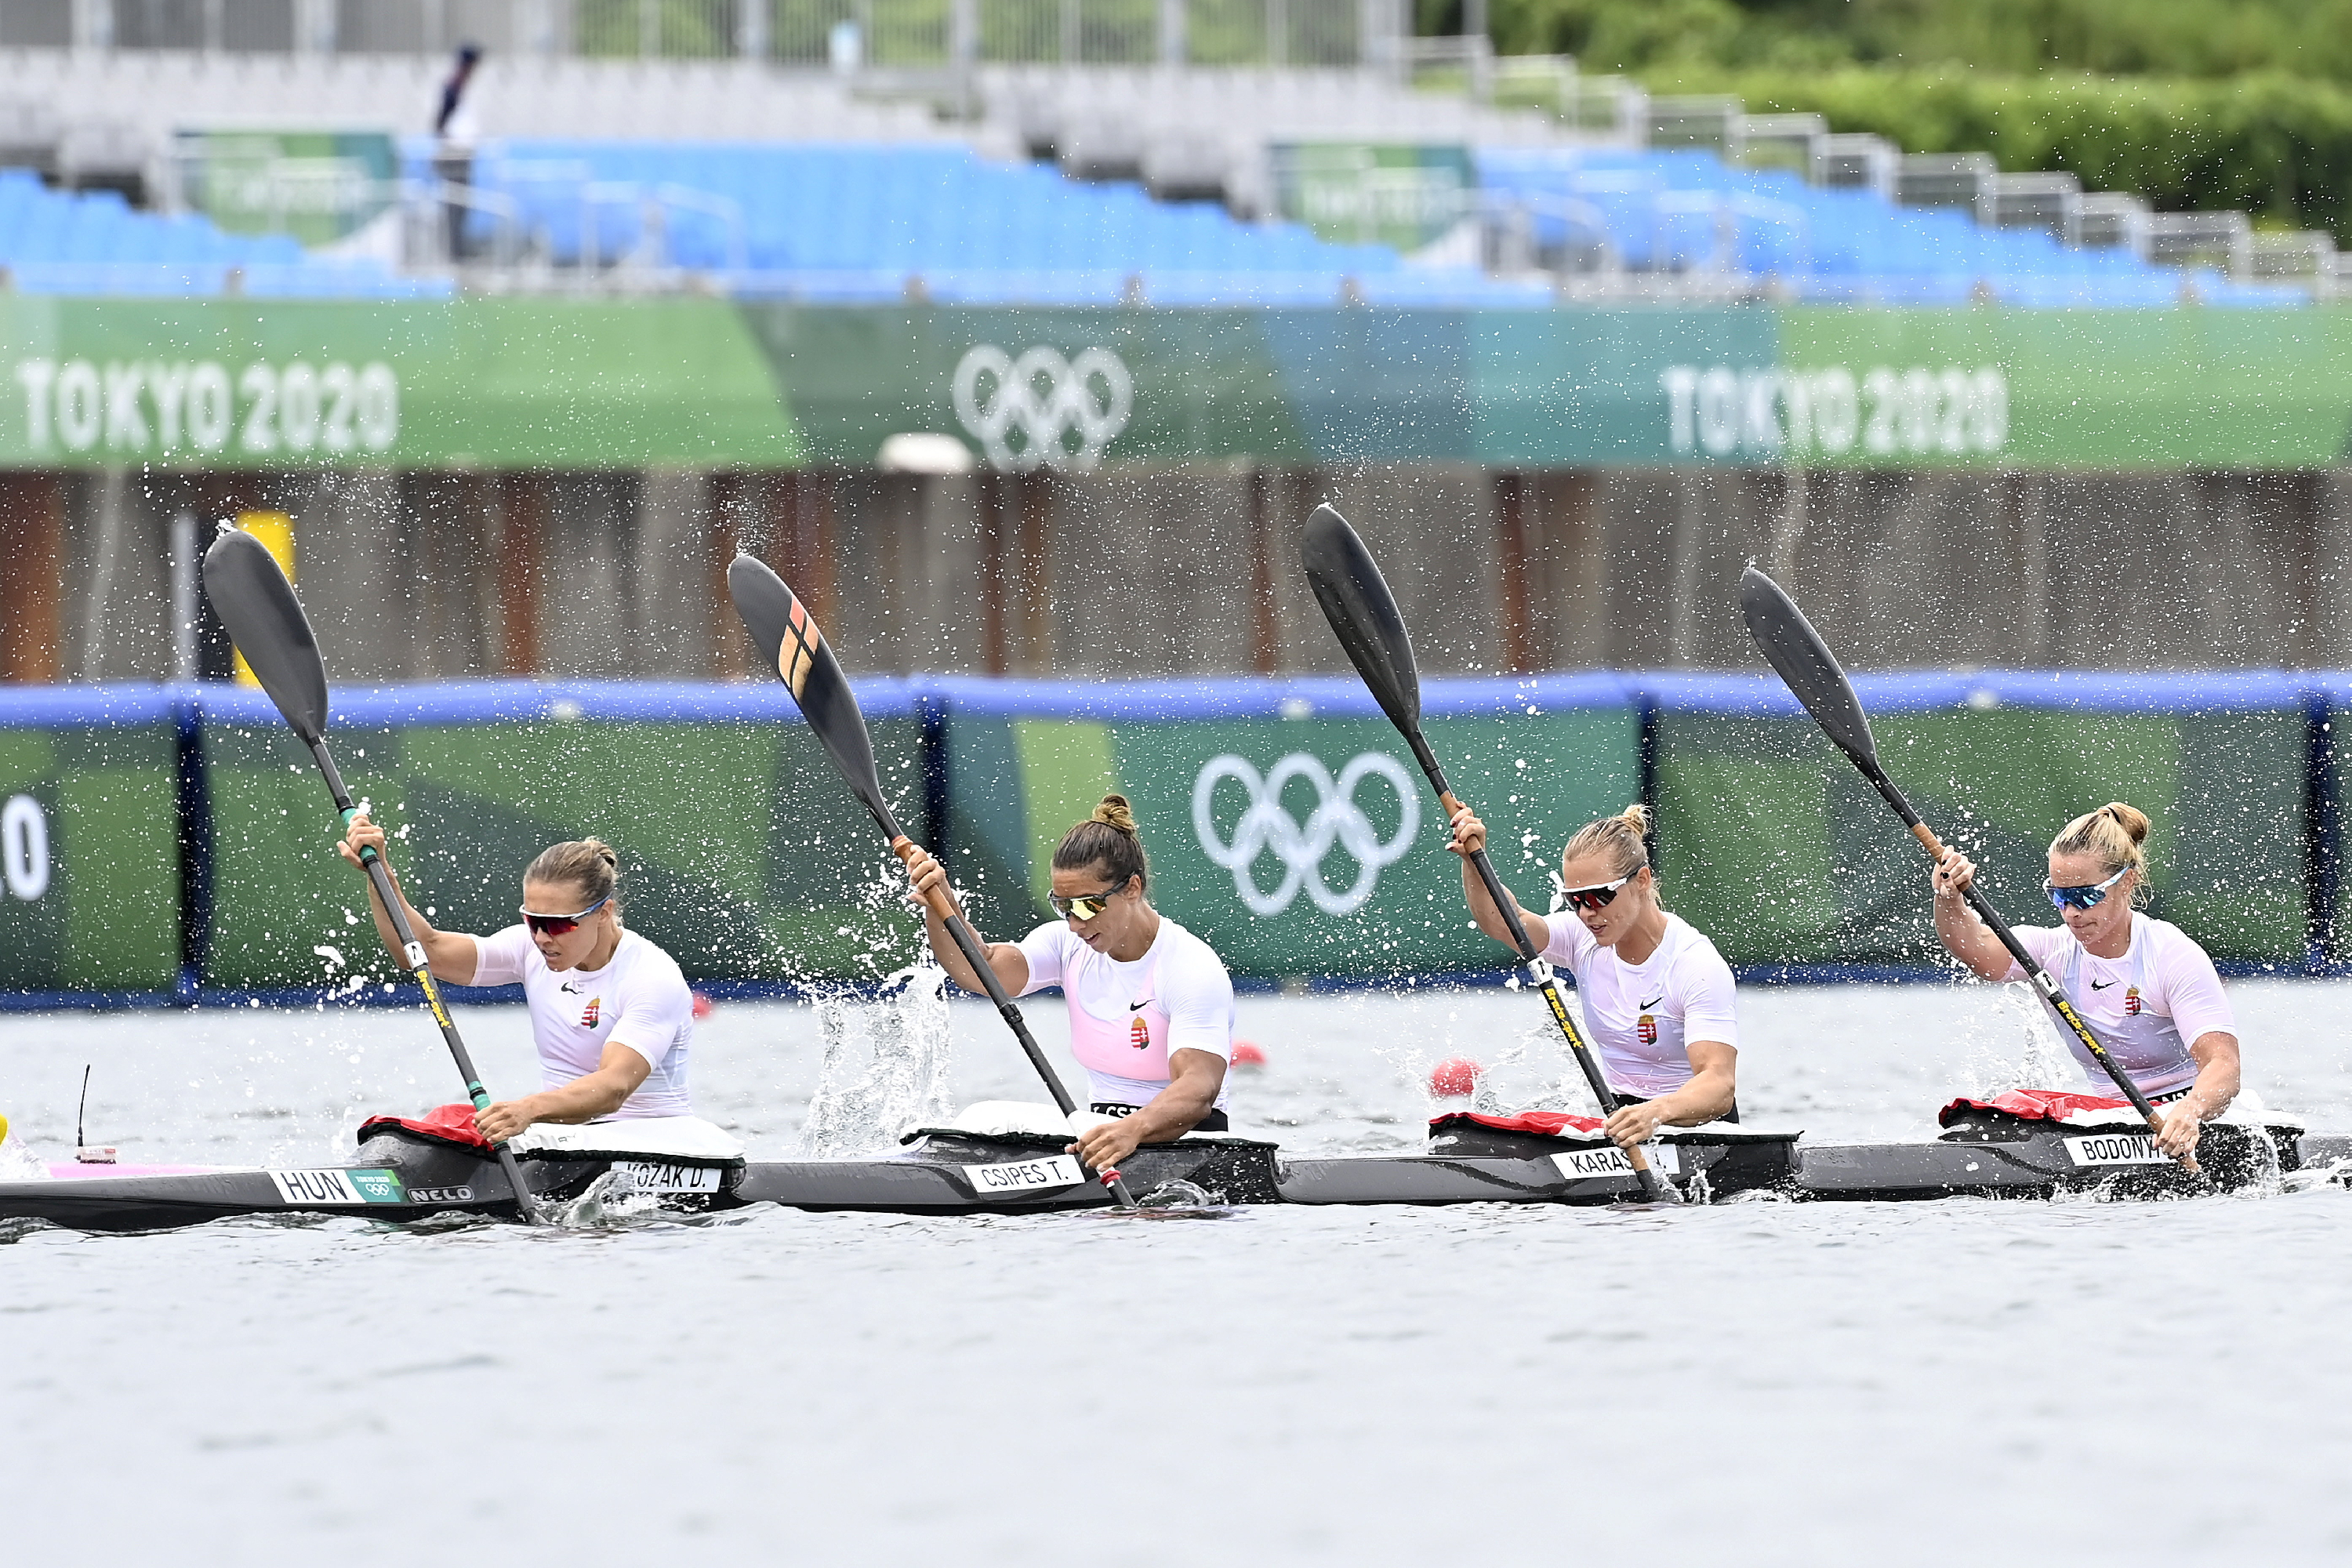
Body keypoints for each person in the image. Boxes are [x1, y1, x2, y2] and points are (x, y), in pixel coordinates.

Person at [902, 795, 1235, 1173]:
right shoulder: (1066, 944)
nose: (1074, 924)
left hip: (1185, 1143)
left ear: (1132, 888)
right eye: (1063, 906)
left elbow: (1198, 1090)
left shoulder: (1189, 966)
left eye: (1086, 905)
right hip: (1101, 1138)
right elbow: (979, 969)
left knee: (989, 1117)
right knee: (981, 1118)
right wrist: (941, 905)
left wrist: (1132, 1130)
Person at [340, 816, 695, 1142]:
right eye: (533, 920)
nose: (541, 937)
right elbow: (421, 952)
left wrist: (527, 1109)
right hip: (561, 1139)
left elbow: (613, 1089)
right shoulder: (530, 948)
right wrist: (380, 877)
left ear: (603, 913)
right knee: (434, 1124)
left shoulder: (651, 977)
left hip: (645, 1143)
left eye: (557, 923)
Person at [1932, 801, 2239, 1159]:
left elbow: (2225, 1065)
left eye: (2087, 896)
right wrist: (1950, 899)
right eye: (2060, 896)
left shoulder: (2170, 954)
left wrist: (2190, 1111)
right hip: (2108, 1119)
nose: (2072, 913)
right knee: (1998, 1112)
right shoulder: (2051, 951)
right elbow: (1977, 952)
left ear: (2127, 881)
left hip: (2192, 1120)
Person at [1448, 801, 1739, 1150]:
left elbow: (1719, 1085)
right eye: (1576, 900)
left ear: (1642, 880)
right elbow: (1504, 924)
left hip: (1702, 1135)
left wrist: (1654, 1113)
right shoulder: (1583, 939)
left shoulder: (1695, 966)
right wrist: (1473, 863)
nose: (1587, 913)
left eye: (1600, 896)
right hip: (1624, 1126)